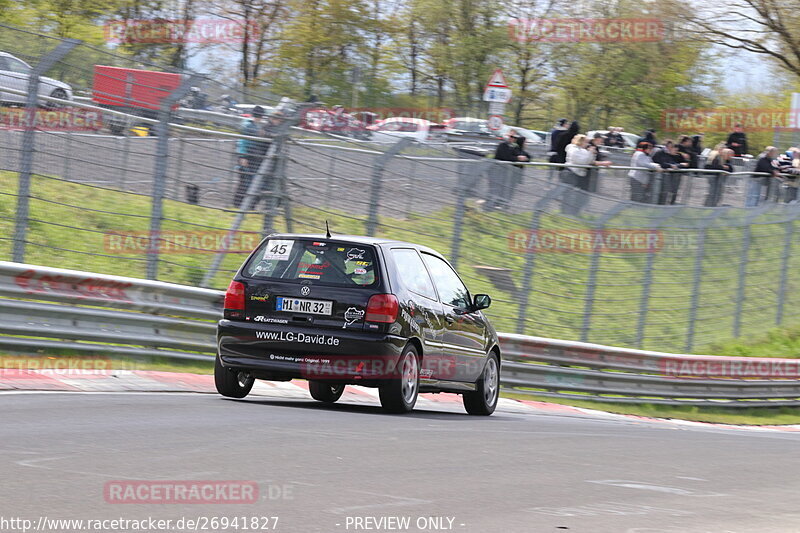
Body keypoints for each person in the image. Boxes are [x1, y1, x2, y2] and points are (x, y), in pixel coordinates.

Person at [561, 134, 611, 214]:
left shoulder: (582, 150)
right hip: (571, 173)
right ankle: (565, 212)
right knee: (568, 194)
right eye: (586, 142)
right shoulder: (573, 149)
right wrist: (590, 153)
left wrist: (592, 154)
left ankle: (573, 212)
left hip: (578, 174)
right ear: (580, 141)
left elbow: (589, 161)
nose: (588, 144)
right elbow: (582, 161)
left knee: (581, 194)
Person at [233, 105, 270, 208]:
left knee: (246, 181)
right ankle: (242, 205)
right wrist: (243, 156)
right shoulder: (249, 126)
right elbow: (243, 142)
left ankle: (241, 204)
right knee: (247, 182)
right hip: (248, 156)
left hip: (248, 156)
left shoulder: (249, 124)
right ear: (261, 116)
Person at [488, 129, 529, 209]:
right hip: (498, 170)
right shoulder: (503, 145)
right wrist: (518, 158)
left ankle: (503, 204)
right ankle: (493, 204)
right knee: (497, 188)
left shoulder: (514, 147)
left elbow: (526, 156)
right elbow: (505, 157)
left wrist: (523, 158)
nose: (512, 139)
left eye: (514, 137)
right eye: (511, 136)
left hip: (507, 171)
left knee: (507, 188)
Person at [652, 140, 688, 204]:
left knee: (666, 193)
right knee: (660, 193)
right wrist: (674, 165)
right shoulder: (661, 152)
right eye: (671, 147)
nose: (672, 149)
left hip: (665, 177)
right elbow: (663, 164)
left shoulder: (671, 154)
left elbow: (672, 164)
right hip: (658, 176)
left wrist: (678, 165)